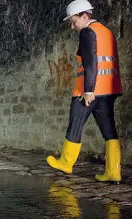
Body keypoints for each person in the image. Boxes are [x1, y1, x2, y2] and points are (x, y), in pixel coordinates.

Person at [46, 0, 123, 184]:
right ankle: (114, 172)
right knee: (109, 131)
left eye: (74, 21)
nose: (72, 26)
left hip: (88, 91)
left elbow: (91, 63)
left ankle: (66, 162)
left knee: (76, 124)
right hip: (108, 90)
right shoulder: (107, 32)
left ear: (85, 16)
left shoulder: (87, 33)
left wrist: (89, 90)